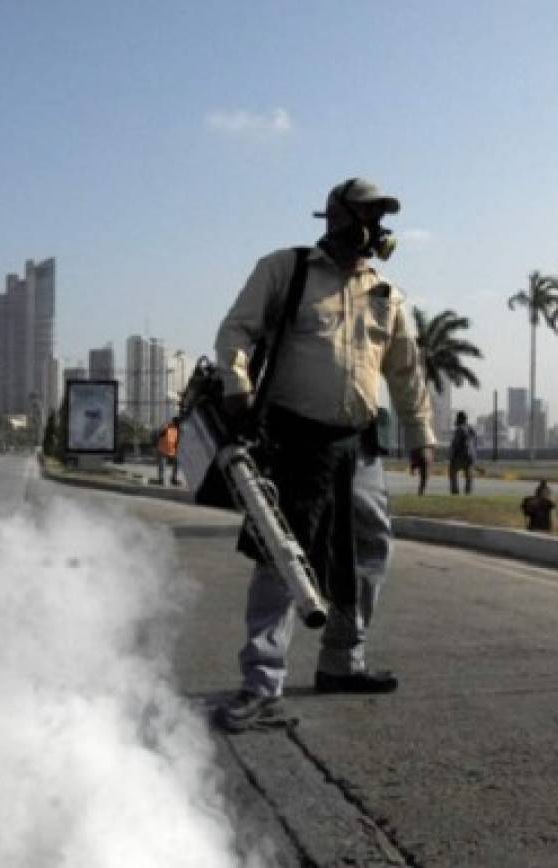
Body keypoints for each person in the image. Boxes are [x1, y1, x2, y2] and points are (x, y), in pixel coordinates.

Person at [212, 177, 436, 732]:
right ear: (335, 217)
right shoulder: (286, 272)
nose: (374, 228)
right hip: (292, 441)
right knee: (282, 555)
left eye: (380, 218)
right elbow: (236, 331)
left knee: (366, 552)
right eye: (365, 215)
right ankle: (261, 684)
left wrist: (423, 435)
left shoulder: (386, 295)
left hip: (356, 447)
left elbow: (407, 373)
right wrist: (236, 385)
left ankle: (343, 660)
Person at [448, 410, 477, 495]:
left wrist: (451, 455)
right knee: (469, 474)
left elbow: (455, 443)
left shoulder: (459, 429)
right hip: (470, 456)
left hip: (460, 456)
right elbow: (474, 443)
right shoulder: (471, 429)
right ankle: (468, 492)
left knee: (452, 472)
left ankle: (455, 491)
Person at [156, 417, 179, 486]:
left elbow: (177, 440)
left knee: (175, 464)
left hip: (172, 450)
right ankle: (162, 479)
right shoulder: (167, 427)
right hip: (164, 449)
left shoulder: (178, 429)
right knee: (162, 465)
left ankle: (172, 479)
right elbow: (158, 435)